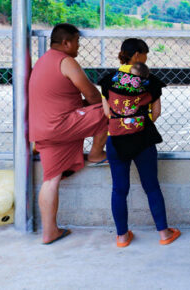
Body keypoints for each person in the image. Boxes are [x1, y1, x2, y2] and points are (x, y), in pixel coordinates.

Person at [28, 24, 108, 245]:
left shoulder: (43, 61)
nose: (78, 47)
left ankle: (49, 232)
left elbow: (61, 97)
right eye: (77, 42)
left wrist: (83, 107)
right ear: (66, 42)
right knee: (109, 109)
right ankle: (96, 153)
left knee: (50, 179)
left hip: (42, 130)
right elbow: (92, 94)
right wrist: (94, 105)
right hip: (61, 125)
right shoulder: (66, 61)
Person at [98, 39, 179, 248]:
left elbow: (107, 112)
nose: (146, 58)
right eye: (145, 54)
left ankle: (122, 237)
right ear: (136, 56)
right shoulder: (151, 81)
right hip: (142, 139)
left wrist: (122, 123)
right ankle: (164, 234)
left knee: (119, 189)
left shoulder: (108, 80)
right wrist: (137, 122)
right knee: (151, 187)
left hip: (115, 139)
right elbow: (157, 112)